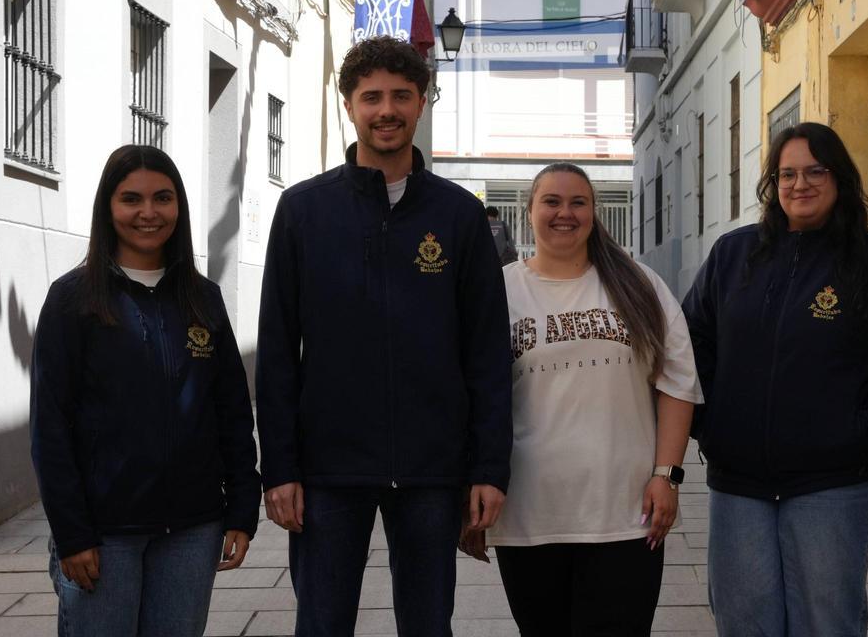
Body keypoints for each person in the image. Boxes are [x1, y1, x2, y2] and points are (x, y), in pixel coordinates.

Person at [256, 35, 513, 637]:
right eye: (371, 97)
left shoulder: (458, 216)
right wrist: (281, 468)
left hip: (432, 468)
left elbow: (487, 354)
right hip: (326, 470)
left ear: (422, 101)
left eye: (401, 94)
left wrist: (489, 468)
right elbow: (276, 354)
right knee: (321, 625)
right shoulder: (303, 212)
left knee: (428, 626)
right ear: (348, 104)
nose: (386, 109)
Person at [682, 123, 868, 637]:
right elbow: (690, 344)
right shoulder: (732, 255)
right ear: (772, 183)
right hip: (739, 482)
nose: (800, 184)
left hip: (834, 482)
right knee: (744, 620)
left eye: (816, 170)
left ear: (840, 179)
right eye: (787, 173)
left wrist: (859, 431)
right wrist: (711, 425)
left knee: (826, 622)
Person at [460, 162, 700, 637]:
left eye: (578, 202)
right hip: (530, 513)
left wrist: (666, 476)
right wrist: (471, 484)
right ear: (529, 211)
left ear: (594, 212)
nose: (564, 213)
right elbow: (471, 395)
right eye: (551, 201)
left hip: (626, 514)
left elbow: (677, 382)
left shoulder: (639, 284)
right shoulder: (498, 289)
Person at [30, 145, 260, 637]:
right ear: (107, 209)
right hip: (103, 534)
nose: (148, 213)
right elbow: (49, 427)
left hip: (193, 529)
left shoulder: (203, 299)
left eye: (163, 198)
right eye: (131, 199)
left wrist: (243, 508)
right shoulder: (72, 301)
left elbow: (232, 413)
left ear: (179, 206)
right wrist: (72, 534)